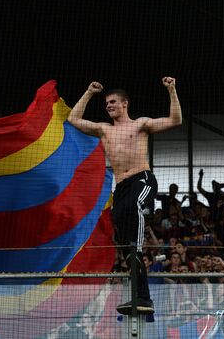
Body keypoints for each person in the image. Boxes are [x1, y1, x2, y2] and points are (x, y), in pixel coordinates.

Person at [68, 77, 182, 315]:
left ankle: (139, 247)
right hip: (120, 188)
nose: (108, 105)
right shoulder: (104, 129)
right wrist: (89, 92)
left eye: (112, 102)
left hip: (142, 180)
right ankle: (141, 294)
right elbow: (73, 119)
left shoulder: (140, 124)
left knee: (134, 208)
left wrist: (171, 89)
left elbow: (175, 120)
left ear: (125, 104)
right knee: (123, 235)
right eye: (106, 103)